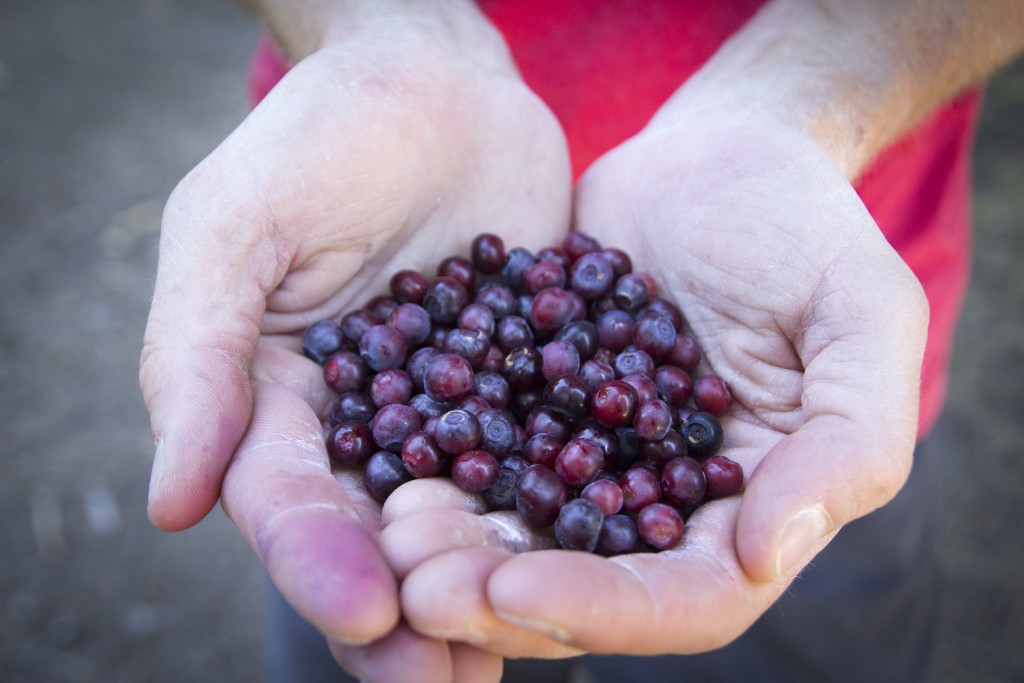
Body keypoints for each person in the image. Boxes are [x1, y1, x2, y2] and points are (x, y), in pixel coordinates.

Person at [138, 1, 1024, 681]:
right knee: (387, 614)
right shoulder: (466, 363)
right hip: (372, 213)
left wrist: (813, 86)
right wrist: (379, 28)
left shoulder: (674, 390)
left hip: (781, 352)